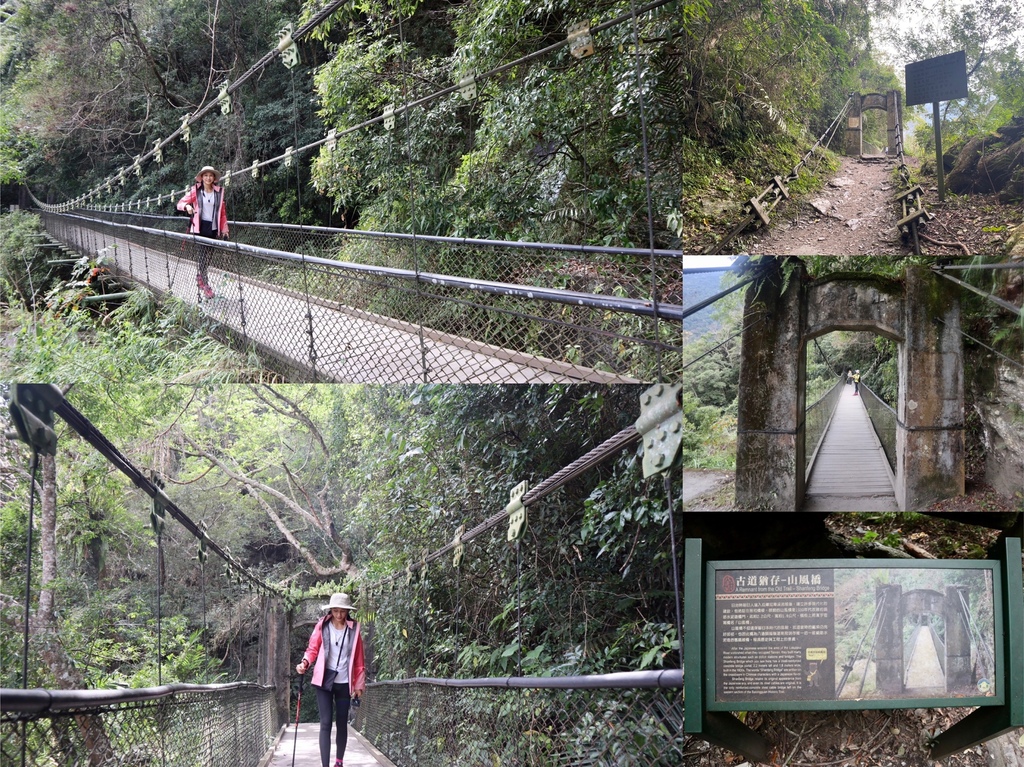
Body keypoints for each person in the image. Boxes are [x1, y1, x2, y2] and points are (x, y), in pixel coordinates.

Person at [296, 593, 366, 767]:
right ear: (331, 610)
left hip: (344, 683)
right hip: (324, 682)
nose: (339, 615)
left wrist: (359, 684)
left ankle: (339, 762)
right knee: (325, 723)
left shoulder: (354, 628)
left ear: (347, 611)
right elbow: (313, 648)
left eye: (342, 611)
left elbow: (359, 660)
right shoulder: (323, 625)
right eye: (335, 610)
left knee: (342, 724)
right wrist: (305, 662)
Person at [177, 165, 229, 299]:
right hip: (199, 228)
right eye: (205, 175)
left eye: (210, 175)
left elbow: (222, 213)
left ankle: (200, 277)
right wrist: (187, 205)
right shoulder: (196, 191)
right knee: (202, 257)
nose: (208, 178)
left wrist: (225, 229)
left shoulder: (219, 192)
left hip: (213, 228)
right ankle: (206, 286)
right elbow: (180, 203)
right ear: (201, 177)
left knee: (208, 257)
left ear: (214, 178)